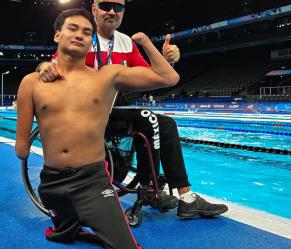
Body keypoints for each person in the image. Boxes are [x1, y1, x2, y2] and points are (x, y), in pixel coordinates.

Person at [37, 0, 228, 218]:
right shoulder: (83, 36)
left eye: (118, 8)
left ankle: (186, 198)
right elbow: (54, 65)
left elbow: (153, 76)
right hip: (81, 118)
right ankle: (148, 188)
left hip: (110, 113)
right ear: (94, 9)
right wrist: (43, 66)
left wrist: (165, 60)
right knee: (147, 118)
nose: (112, 11)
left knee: (166, 124)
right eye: (106, 5)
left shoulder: (126, 43)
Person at [16, 8, 179, 249]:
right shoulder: (32, 82)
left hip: (92, 182)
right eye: (72, 28)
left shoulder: (107, 77)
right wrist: (42, 66)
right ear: (57, 36)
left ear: (91, 41)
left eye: (87, 32)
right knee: (63, 235)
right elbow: (21, 149)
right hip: (51, 185)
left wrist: (145, 42)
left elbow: (169, 77)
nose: (80, 35)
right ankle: (71, 219)